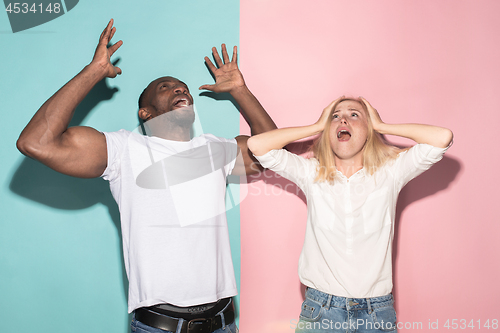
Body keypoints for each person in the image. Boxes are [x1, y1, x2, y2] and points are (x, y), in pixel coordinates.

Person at [16, 19, 276, 333]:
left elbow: (271, 154)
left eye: (183, 87)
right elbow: (35, 142)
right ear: (146, 113)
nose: (180, 88)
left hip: (223, 322)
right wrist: (94, 71)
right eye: (165, 87)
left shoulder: (213, 149)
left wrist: (240, 91)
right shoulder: (125, 149)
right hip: (161, 327)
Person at [247, 96, 453, 332]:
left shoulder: (391, 172)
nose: (342, 118)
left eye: (354, 114)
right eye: (335, 116)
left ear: (368, 130)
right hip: (320, 309)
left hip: (376, 314)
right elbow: (257, 146)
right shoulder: (311, 173)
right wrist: (315, 126)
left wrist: (382, 126)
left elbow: (442, 138)